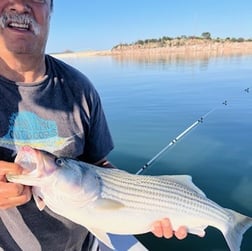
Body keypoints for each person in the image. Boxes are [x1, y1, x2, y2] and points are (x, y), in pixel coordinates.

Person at [0, 0, 188, 250]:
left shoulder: (80, 88)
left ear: (50, 10)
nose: (20, 5)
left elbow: (99, 165)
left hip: (85, 242)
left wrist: (148, 200)